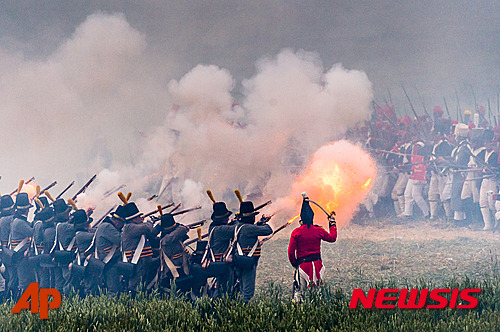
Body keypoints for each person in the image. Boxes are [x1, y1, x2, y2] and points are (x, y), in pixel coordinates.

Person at [288, 193, 337, 302]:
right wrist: (332, 223)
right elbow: (332, 238)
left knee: (298, 294)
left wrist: (295, 264)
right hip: (318, 266)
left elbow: (291, 253)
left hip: (303, 266)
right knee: (318, 296)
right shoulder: (318, 230)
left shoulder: (296, 232)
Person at [232, 196, 272, 303]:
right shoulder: (248, 228)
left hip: (239, 260)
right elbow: (268, 230)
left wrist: (259, 223)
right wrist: (263, 222)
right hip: (248, 262)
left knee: (241, 289)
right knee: (247, 292)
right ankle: (243, 313)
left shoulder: (238, 225)